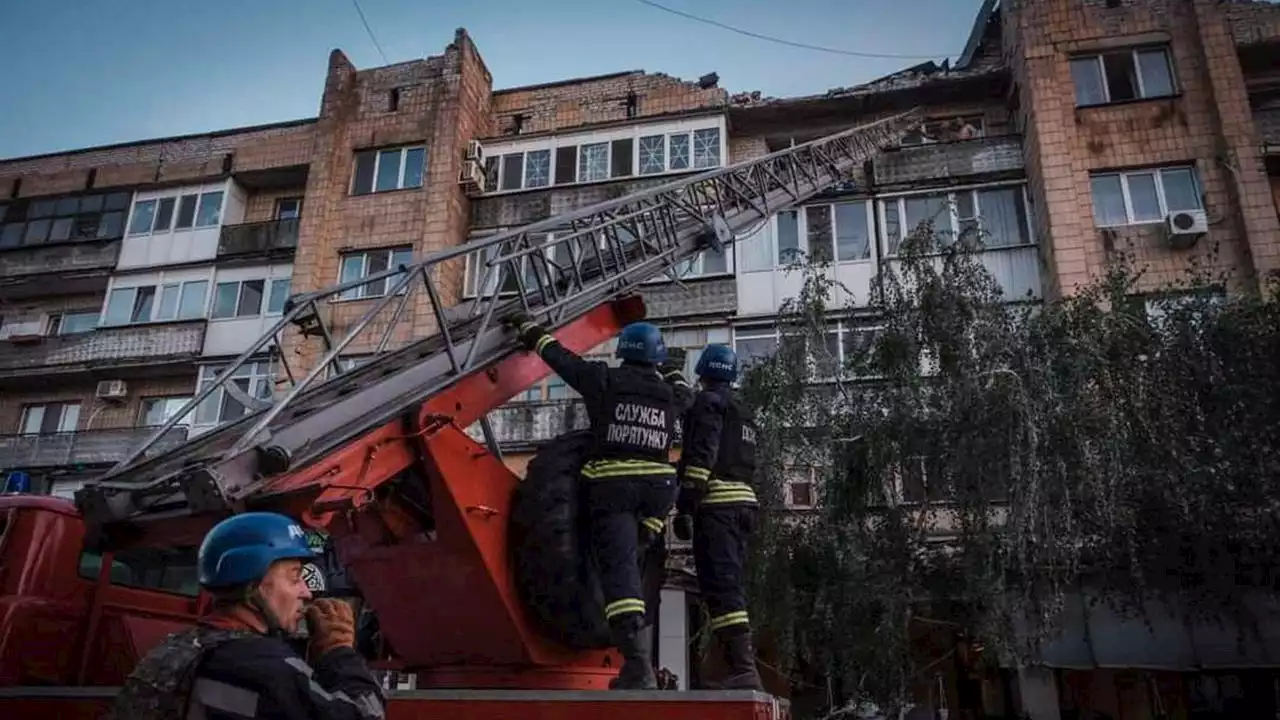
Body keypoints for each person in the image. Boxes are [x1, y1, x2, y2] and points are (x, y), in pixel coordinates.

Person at [505, 312, 692, 690]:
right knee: (636, 557)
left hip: (616, 487)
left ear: (623, 352)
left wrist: (529, 330)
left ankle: (638, 666)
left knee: (619, 570)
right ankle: (643, 551)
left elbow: (560, 357)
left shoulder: (605, 380)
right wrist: (672, 370)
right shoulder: (670, 395)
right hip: (658, 492)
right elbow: (686, 394)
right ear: (655, 358)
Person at [107, 512, 386, 720]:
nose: (307, 592)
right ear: (254, 586)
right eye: (295, 577)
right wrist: (338, 653)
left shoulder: (176, 648)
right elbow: (364, 716)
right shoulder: (265, 667)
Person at [673, 343, 764, 691]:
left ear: (703, 373)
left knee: (721, 586)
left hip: (718, 507)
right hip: (744, 505)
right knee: (729, 585)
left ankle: (743, 668)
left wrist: (685, 505)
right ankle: (738, 668)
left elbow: (702, 455)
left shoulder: (709, 404)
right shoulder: (743, 411)